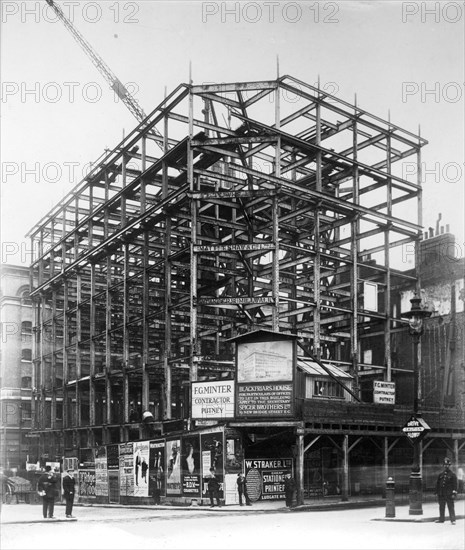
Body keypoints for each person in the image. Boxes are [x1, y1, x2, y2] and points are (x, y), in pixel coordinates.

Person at [435, 457, 458, 524]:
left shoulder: (452, 475)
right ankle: (441, 519)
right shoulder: (440, 475)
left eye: (447, 465)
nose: (446, 466)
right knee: (441, 507)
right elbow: (438, 484)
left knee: (450, 507)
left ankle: (453, 520)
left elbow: (455, 485)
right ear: (443, 466)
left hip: (449, 494)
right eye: (445, 465)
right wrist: (437, 492)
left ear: (449, 465)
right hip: (441, 494)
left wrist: (454, 493)